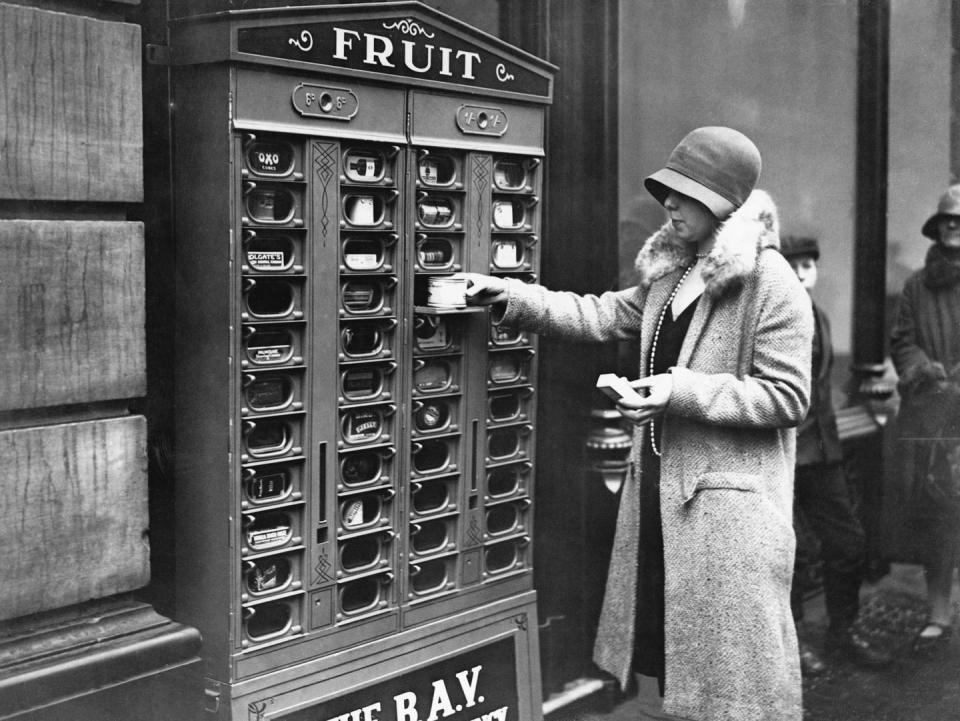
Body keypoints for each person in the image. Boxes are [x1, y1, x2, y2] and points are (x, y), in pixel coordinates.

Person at [466, 126, 812, 721]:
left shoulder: (771, 282)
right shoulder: (675, 272)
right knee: (670, 670)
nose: (668, 205)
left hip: (728, 519)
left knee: (732, 689)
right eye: (666, 192)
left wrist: (678, 392)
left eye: (682, 193)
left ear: (722, 201)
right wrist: (509, 297)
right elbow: (600, 314)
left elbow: (787, 397)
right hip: (662, 499)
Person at [779, 235, 893, 674]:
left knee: (848, 542)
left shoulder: (819, 316)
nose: (805, 271)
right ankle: (789, 647)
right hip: (784, 451)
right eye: (794, 263)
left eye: (810, 263)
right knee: (785, 553)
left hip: (823, 451)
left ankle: (842, 632)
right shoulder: (773, 318)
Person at [890, 183, 960, 656]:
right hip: (933, 415)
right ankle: (938, 611)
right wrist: (922, 368)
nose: (953, 227)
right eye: (947, 221)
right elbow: (902, 339)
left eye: (959, 221)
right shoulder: (917, 285)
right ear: (936, 229)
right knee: (939, 515)